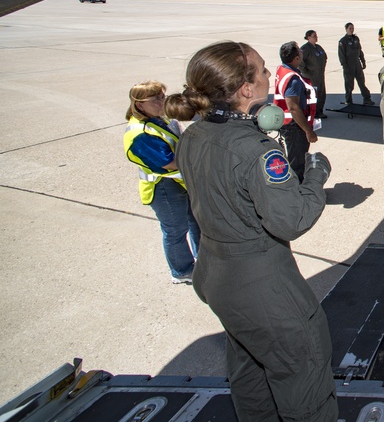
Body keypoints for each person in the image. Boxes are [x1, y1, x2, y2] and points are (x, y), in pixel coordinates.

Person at [165, 41, 337, 422]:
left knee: (250, 370)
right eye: (260, 71)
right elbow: (292, 219)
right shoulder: (256, 151)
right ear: (246, 89)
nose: (266, 76)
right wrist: (316, 176)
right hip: (262, 284)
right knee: (303, 372)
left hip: (217, 275)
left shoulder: (193, 135)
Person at [124, 81, 200, 284]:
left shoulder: (159, 120)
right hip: (163, 189)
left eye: (162, 96)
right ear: (139, 105)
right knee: (175, 230)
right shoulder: (140, 134)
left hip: (180, 183)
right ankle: (181, 270)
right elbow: (169, 162)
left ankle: (203, 261)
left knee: (195, 222)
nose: (162, 101)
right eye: (155, 99)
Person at [274, 41, 318, 182]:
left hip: (291, 125)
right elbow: (293, 107)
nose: (301, 51)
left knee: (296, 159)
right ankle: (297, 193)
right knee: (297, 163)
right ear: (296, 59)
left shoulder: (283, 69)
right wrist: (308, 130)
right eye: (299, 50)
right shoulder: (293, 79)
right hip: (294, 127)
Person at [338, 22, 375, 107]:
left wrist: (363, 60)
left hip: (357, 64)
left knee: (361, 82)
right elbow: (341, 56)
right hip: (348, 65)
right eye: (350, 28)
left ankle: (367, 98)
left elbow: (360, 50)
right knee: (349, 84)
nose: (351, 30)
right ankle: (349, 100)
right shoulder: (343, 41)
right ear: (346, 29)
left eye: (352, 28)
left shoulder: (356, 39)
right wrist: (345, 66)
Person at [299, 30, 328, 117]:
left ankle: (319, 111)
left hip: (320, 75)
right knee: (312, 95)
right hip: (311, 76)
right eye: (314, 36)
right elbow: (300, 61)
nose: (316, 37)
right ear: (309, 37)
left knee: (321, 94)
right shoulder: (305, 49)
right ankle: (311, 113)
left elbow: (325, 57)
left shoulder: (318, 47)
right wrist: (305, 72)